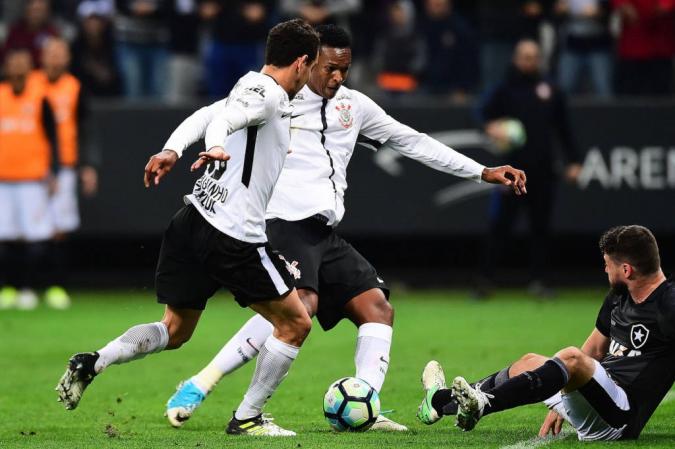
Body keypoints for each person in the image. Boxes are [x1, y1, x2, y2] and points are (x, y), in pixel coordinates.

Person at [158, 24, 527, 432]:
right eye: (329, 68)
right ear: (308, 62)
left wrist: (482, 171)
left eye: (344, 70)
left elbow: (413, 141)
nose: (337, 77)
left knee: (377, 308)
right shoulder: (276, 97)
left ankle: (365, 405)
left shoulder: (355, 106)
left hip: (322, 232)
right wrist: (177, 148)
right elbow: (214, 115)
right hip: (282, 223)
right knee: (300, 306)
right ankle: (202, 383)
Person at [55, 19, 320, 437]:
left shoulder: (250, 83)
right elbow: (223, 122)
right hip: (234, 236)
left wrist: (172, 149)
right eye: (313, 66)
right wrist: (215, 145)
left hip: (193, 220)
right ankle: (248, 417)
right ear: (302, 62)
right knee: (296, 323)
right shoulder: (268, 95)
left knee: (174, 330)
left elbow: (206, 114)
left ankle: (95, 360)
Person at [418, 225, 675, 441]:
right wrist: (565, 391)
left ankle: (482, 404)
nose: (605, 270)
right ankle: (438, 401)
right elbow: (595, 350)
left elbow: (580, 360)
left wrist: (569, 378)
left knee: (570, 357)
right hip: (596, 397)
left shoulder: (668, 305)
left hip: (620, 417)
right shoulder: (619, 297)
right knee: (528, 362)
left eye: (608, 265)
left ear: (627, 270)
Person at [476, 39, 581, 298]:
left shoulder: (551, 90)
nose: (529, 61)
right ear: (515, 58)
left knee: (541, 228)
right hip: (510, 173)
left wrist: (574, 161)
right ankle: (486, 281)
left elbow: (564, 129)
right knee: (499, 226)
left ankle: (539, 281)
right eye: (524, 56)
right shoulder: (503, 89)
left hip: (543, 171)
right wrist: (491, 126)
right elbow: (479, 113)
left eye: (533, 56)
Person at [32, 37, 99, 308]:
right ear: (42, 56)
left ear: (68, 58)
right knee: (29, 228)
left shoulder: (74, 87)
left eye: (60, 53)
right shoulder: (31, 84)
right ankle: (25, 285)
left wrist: (88, 165)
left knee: (59, 228)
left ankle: (56, 285)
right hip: (31, 168)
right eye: (51, 53)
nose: (55, 58)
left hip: (65, 166)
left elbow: (86, 129)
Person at [0, 49, 60, 310]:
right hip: (3, 179)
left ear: (30, 67)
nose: (17, 68)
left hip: (32, 179)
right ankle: (8, 287)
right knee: (5, 237)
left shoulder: (40, 97)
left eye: (22, 63)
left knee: (36, 237)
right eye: (12, 63)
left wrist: (54, 171)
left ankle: (30, 287)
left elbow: (53, 137)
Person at [1, 0, 60, 68]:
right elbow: (5, 56)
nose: (36, 15)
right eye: (34, 10)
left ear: (47, 12)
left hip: (42, 72)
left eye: (39, 11)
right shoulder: (15, 31)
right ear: (27, 10)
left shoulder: (51, 32)